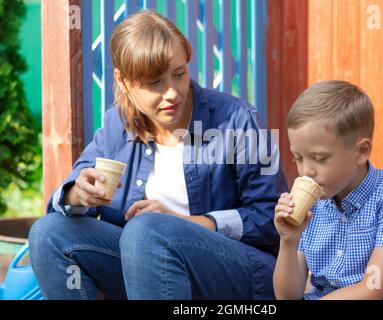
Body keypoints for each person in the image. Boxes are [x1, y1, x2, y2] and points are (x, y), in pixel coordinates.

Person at [29, 10, 288, 300]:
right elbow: (63, 207)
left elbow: (271, 219)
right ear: (123, 81)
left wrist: (187, 223)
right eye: (154, 83)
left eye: (179, 74)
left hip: (238, 274)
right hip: (147, 271)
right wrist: (78, 194)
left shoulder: (238, 120)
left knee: (147, 230)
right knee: (48, 234)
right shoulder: (117, 126)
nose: (172, 93)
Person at [273, 80, 383, 300]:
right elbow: (287, 296)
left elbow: (372, 289)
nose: (306, 171)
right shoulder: (314, 207)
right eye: (298, 158)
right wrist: (288, 241)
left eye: (319, 158)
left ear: (362, 151)